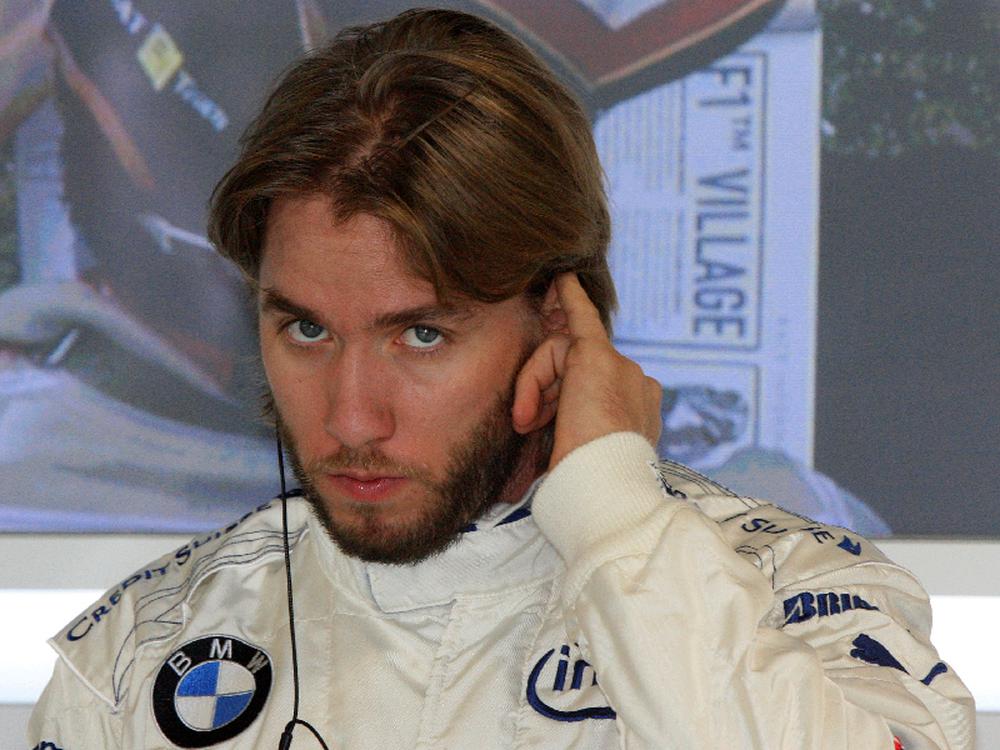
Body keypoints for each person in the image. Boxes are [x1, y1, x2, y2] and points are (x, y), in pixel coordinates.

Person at [28, 8, 975, 749]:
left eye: (422, 335)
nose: (351, 419)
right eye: (306, 328)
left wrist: (620, 519)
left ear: (562, 320)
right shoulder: (137, 657)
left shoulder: (802, 594)